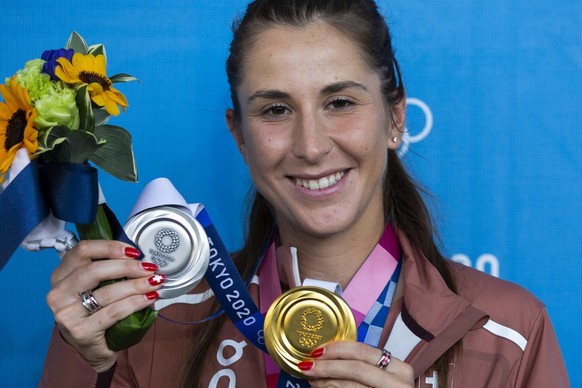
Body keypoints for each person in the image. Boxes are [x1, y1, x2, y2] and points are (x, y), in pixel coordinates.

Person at [40, 0, 569, 387]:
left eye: (340, 102)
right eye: (276, 109)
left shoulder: (509, 331)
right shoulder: (155, 321)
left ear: (395, 120)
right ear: (240, 136)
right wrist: (90, 362)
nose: (311, 146)